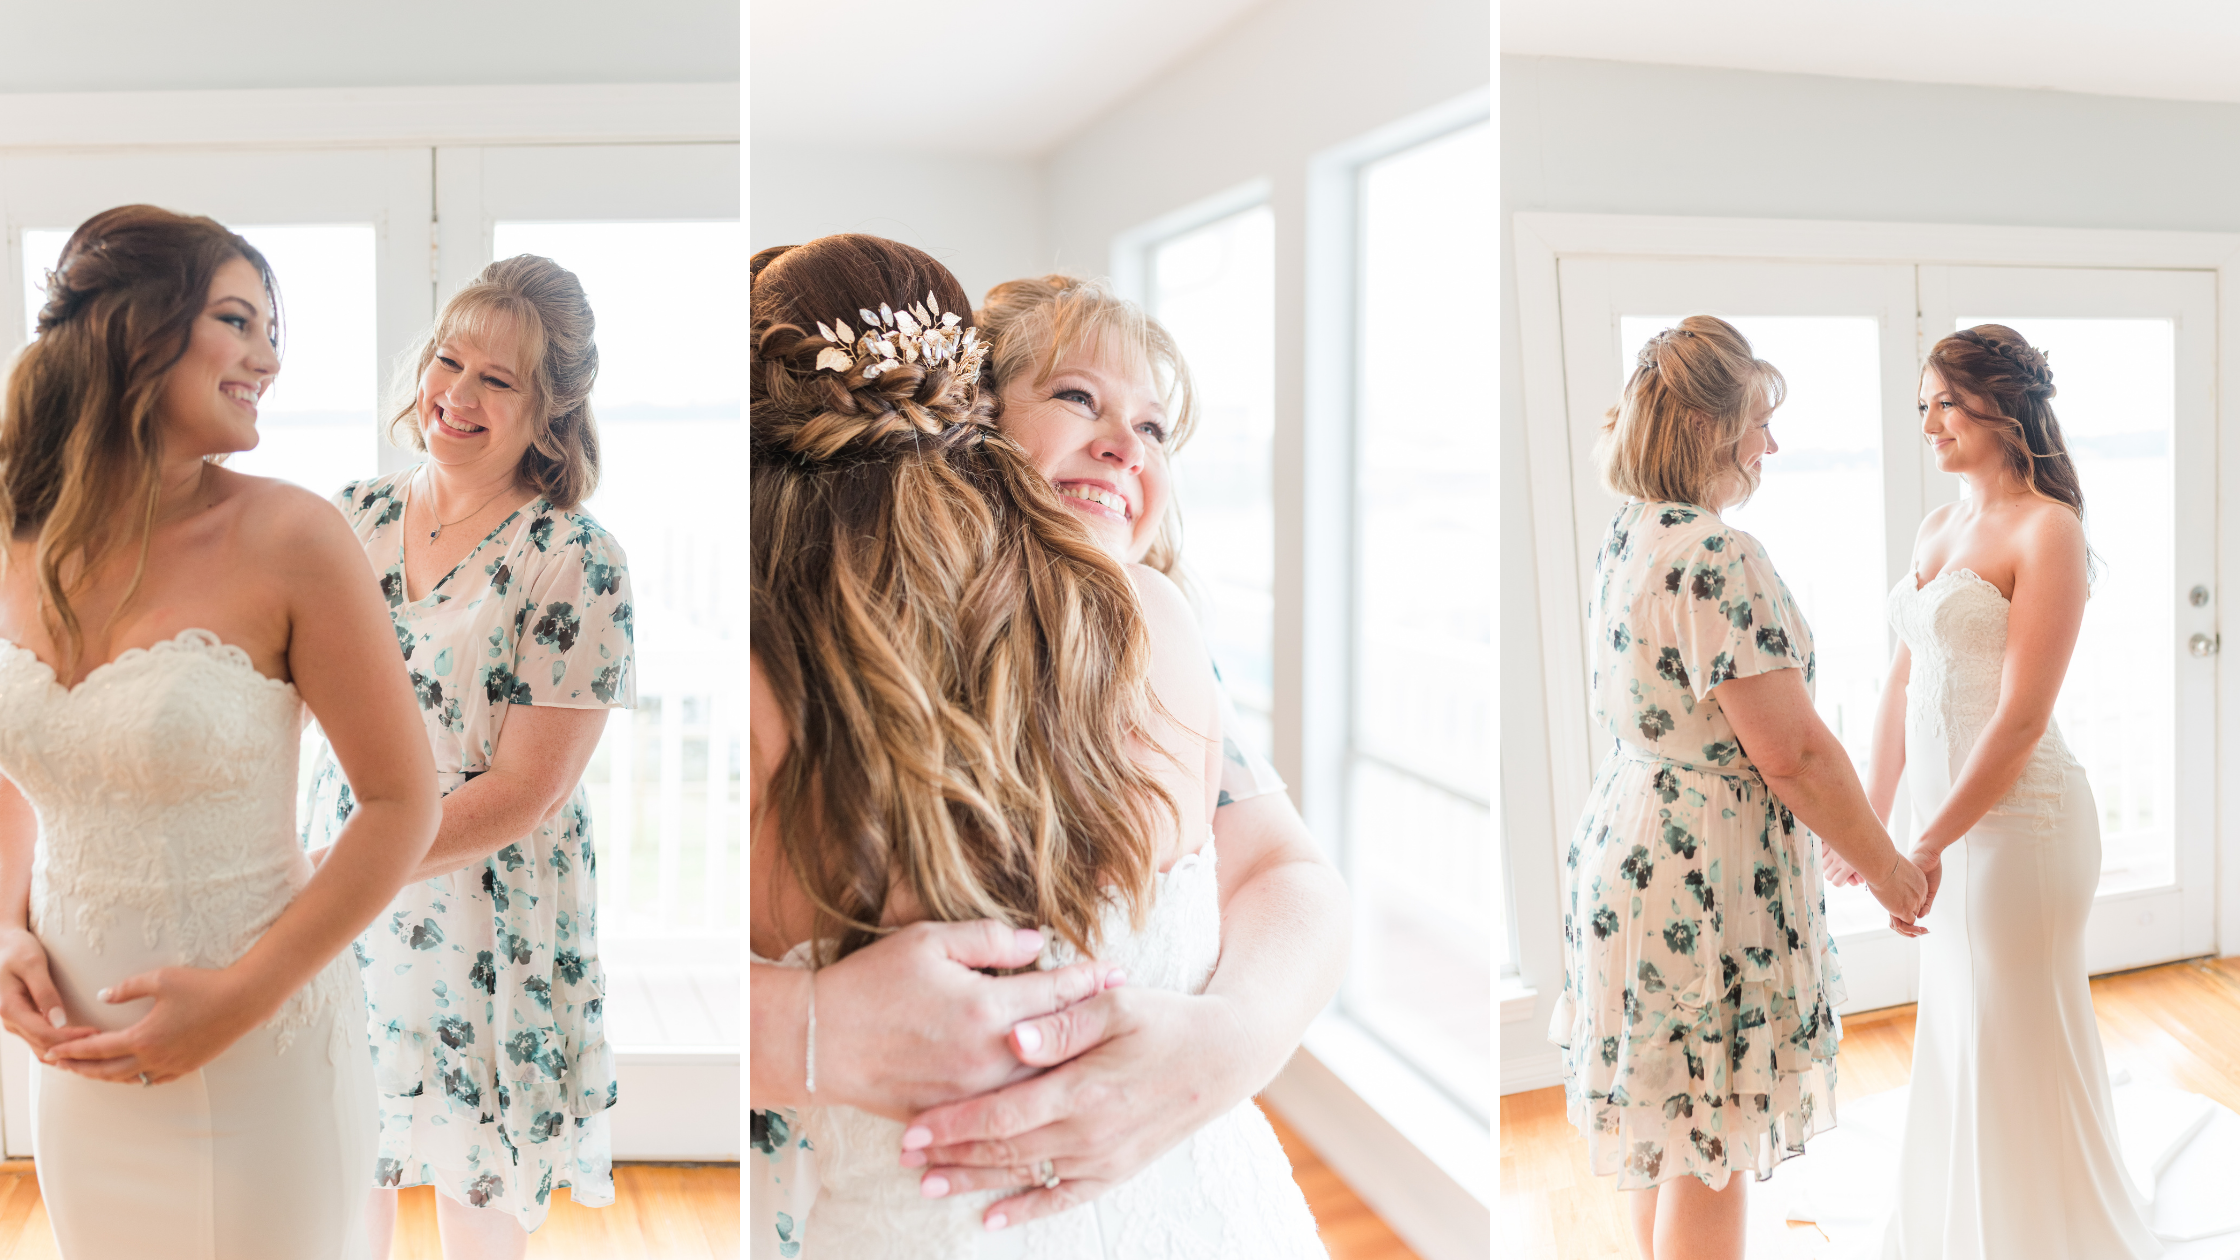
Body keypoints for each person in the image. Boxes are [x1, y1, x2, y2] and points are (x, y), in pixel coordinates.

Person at [749, 234, 1326, 1257]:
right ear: (968, 423)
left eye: (1154, 427)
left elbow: (1288, 869)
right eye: (1076, 398)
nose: (1124, 445)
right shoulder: (815, 655)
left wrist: (1226, 1041)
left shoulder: (1166, 636)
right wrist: (807, 1027)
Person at [0, 204, 439, 1257]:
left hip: (261, 1059)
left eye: (274, 334)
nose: (267, 360)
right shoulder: (12, 531)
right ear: (134, 329)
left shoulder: (291, 537)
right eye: (239, 321)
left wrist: (237, 1000)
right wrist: (3, 928)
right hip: (77, 1062)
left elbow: (402, 801)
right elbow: (18, 773)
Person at [1547, 315, 1929, 1260]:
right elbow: (1792, 752)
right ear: (1714, 431)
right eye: (1759, 419)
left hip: (1630, 841)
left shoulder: (1632, 536)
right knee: (1712, 1141)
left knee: (1672, 1134)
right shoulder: (1720, 558)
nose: (1771, 443)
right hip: (1703, 874)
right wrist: (1885, 866)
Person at [300, 256, 633, 1260]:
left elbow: (528, 791)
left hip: (486, 905)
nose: (457, 394)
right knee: (339, 1155)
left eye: (500, 379)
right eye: (450, 360)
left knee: (475, 1193)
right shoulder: (343, 520)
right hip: (337, 880)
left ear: (554, 408)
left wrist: (357, 866)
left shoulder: (574, 555)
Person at [1859, 326, 2159, 1257]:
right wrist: (1875, 824)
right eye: (1922, 405)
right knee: (1957, 1017)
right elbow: (1902, 687)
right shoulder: (1936, 526)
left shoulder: (2048, 529)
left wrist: (1924, 845)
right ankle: (1962, 1221)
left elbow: (2023, 719)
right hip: (1938, 832)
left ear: (2003, 403)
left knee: (2011, 1025)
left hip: (2023, 829)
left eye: (1946, 402)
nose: (1929, 423)